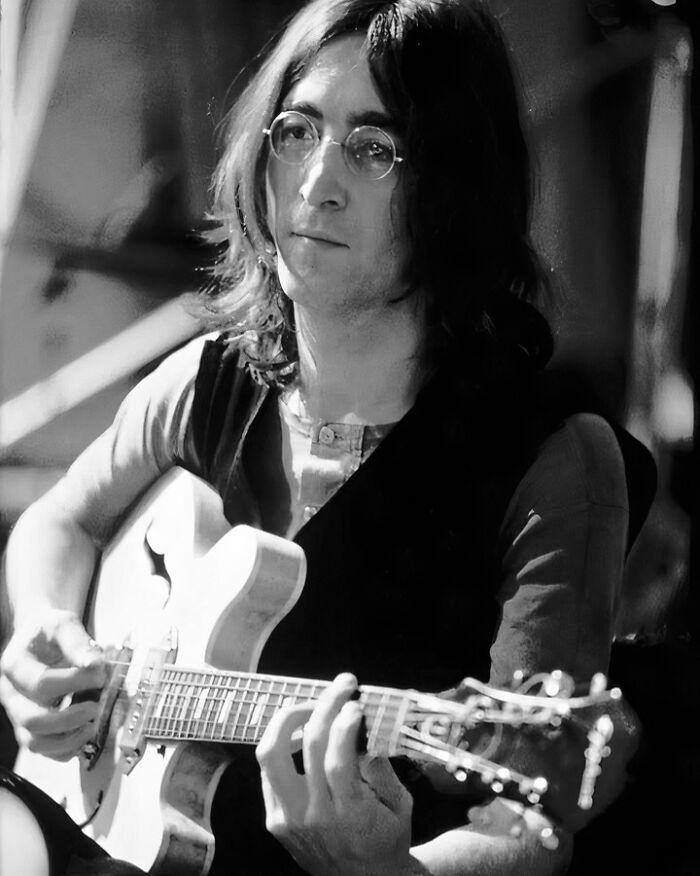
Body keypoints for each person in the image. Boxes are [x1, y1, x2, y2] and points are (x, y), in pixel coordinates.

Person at [0, 0, 655, 873]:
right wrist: (42, 631)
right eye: (297, 130)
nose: (315, 183)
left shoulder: (557, 461)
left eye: (375, 149)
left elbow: (524, 837)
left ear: (456, 193)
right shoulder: (206, 380)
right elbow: (60, 521)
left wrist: (391, 870)